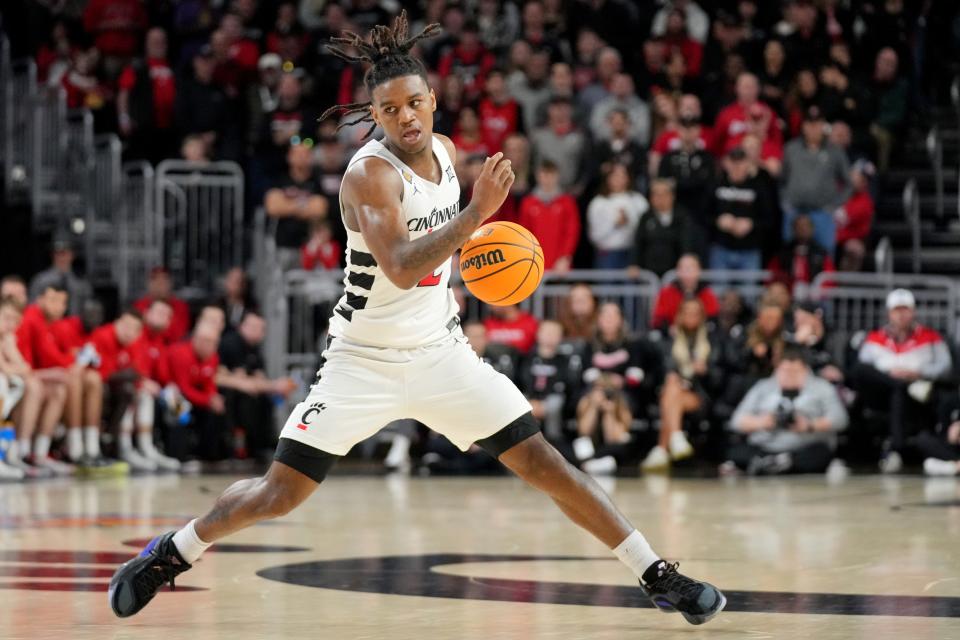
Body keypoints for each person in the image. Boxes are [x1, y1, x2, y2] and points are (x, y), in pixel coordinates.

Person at [109, 14, 725, 625]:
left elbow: (445, 259)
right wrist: (477, 215)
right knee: (280, 492)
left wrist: (481, 255)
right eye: (389, 109)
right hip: (362, 360)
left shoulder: (451, 154)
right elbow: (402, 266)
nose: (404, 117)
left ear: (432, 100)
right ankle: (172, 553)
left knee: (546, 462)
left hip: (440, 352)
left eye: (413, 103)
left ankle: (656, 574)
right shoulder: (369, 175)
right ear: (374, 116)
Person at [853, 289, 953, 474]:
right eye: (896, 310)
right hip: (881, 391)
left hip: (917, 392)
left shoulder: (931, 337)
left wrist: (917, 372)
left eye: (905, 309)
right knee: (864, 372)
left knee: (899, 391)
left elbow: (945, 367)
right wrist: (889, 375)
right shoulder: (875, 337)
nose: (901, 314)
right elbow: (863, 369)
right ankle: (897, 387)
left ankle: (897, 450)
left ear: (913, 311)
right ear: (889, 313)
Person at [17, 284, 107, 466]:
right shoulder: (32, 319)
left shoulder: (53, 324)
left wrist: (74, 360)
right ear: (39, 299)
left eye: (62, 302)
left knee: (88, 380)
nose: (57, 306)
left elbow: (61, 357)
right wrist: (74, 360)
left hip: (35, 375)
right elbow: (51, 357)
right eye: (53, 300)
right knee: (69, 379)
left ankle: (89, 446)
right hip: (22, 376)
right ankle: (72, 447)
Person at [727, 347, 848, 475]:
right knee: (735, 451)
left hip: (804, 447)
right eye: (785, 371)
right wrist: (763, 422)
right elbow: (736, 421)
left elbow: (840, 419)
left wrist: (809, 425)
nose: (789, 376)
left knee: (821, 453)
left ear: (806, 370)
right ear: (777, 370)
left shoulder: (822, 387)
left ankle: (777, 464)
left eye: (795, 371)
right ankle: (774, 464)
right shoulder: (762, 387)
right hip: (766, 446)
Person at [643, 298, 723, 471]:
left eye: (695, 313)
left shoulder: (712, 340)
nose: (691, 317)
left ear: (702, 317)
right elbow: (661, 370)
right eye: (686, 312)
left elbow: (719, 378)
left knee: (670, 395)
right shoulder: (668, 340)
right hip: (673, 392)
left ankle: (663, 448)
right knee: (672, 386)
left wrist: (705, 371)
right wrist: (677, 376)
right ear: (679, 316)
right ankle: (675, 438)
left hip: (700, 394)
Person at [0, 297, 70, 479]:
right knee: (4, 383)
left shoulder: (7, 340)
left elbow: (24, 368)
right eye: (7, 318)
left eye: (15, 321)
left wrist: (10, 348)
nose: (11, 324)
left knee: (29, 385)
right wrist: (14, 367)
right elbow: (7, 369)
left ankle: (24, 452)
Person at [217, 312, 296, 461]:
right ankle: (248, 448)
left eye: (260, 328)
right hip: (226, 392)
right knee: (249, 399)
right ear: (242, 326)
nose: (257, 331)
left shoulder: (254, 349)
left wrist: (273, 388)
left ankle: (265, 445)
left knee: (267, 399)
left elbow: (259, 378)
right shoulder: (232, 344)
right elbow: (244, 382)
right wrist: (274, 385)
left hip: (244, 391)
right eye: (252, 326)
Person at [780, 106, 850, 257]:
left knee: (824, 257)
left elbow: (848, 183)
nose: (813, 128)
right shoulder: (791, 149)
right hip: (794, 211)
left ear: (823, 126)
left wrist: (834, 205)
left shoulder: (835, 151)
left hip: (822, 213)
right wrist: (785, 202)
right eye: (809, 124)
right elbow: (781, 179)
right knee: (790, 258)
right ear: (803, 126)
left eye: (817, 124)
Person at [265, 142, 330, 270]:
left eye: (305, 154)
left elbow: (320, 209)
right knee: (279, 287)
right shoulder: (280, 179)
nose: (301, 157)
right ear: (289, 157)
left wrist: (287, 205)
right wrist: (305, 205)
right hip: (282, 246)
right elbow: (273, 207)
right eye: (297, 154)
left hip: (311, 247)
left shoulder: (316, 181)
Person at [709, 147, 772, 272]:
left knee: (749, 291)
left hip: (750, 250)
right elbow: (702, 215)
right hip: (721, 248)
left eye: (741, 161)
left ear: (748, 163)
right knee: (718, 290)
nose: (737, 166)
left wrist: (752, 224)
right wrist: (718, 221)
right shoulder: (715, 184)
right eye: (733, 161)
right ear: (726, 163)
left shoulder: (759, 186)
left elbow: (769, 219)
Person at [517, 160, 580, 273]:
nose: (547, 179)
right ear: (538, 176)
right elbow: (524, 233)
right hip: (534, 261)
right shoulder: (528, 203)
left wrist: (565, 257)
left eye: (551, 175)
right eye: (544, 174)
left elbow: (572, 231)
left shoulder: (567, 202)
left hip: (560, 265)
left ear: (557, 176)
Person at [587, 162, 647, 269]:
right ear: (608, 178)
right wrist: (615, 224)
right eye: (615, 175)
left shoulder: (638, 200)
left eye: (623, 175)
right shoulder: (598, 203)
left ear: (628, 178)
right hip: (607, 254)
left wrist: (628, 222)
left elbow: (645, 229)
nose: (619, 179)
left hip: (632, 254)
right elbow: (594, 236)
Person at [628, 178, 689, 277]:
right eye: (656, 194)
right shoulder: (646, 217)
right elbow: (638, 242)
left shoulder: (682, 217)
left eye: (664, 194)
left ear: (672, 196)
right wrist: (634, 264)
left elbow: (687, 243)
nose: (660, 198)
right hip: (649, 272)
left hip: (675, 273)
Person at [650, 254, 719, 332]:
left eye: (691, 268)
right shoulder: (667, 293)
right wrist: (669, 329)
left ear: (698, 271)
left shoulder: (707, 294)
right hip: (671, 339)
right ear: (678, 271)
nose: (688, 273)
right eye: (684, 269)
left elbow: (713, 320)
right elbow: (658, 321)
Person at [28, 237, 93, 317]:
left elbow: (88, 310)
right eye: (58, 253)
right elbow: (32, 308)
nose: (61, 257)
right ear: (52, 255)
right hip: (47, 326)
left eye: (65, 253)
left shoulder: (81, 283)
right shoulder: (40, 281)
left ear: (72, 255)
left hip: (75, 326)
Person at [133, 268, 191, 344]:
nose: (161, 286)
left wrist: (152, 324)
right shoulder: (139, 305)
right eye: (157, 281)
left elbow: (179, 334)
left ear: (170, 284)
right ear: (150, 284)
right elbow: (135, 332)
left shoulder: (180, 307)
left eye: (164, 281)